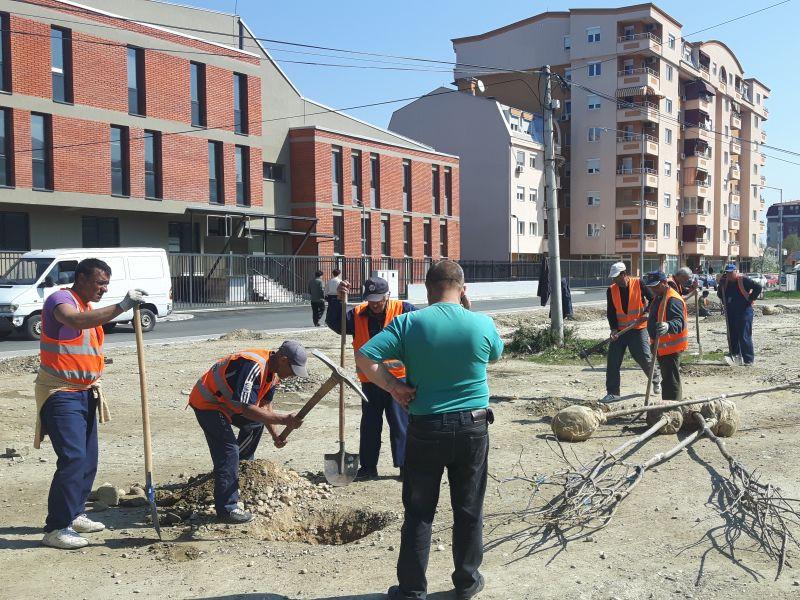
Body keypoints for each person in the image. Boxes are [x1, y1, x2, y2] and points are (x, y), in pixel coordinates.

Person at [356, 261, 502, 600]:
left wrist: (394, 386)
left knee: (420, 512)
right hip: (473, 426)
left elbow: (365, 357)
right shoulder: (481, 323)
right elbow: (493, 354)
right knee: (468, 508)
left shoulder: (408, 323)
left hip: (426, 427)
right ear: (463, 289)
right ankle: (466, 582)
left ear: (426, 288)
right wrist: (469, 312)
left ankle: (411, 590)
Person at [35, 258, 147, 549]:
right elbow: (72, 321)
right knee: (72, 458)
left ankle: (74, 514)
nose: (103, 289)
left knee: (88, 459)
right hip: (60, 391)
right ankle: (56, 527)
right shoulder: (61, 300)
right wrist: (122, 306)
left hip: (85, 392)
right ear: (81, 278)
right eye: (99, 283)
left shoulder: (88, 308)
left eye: (107, 284)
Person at [188, 341, 306, 523]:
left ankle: (240, 470)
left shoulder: (273, 373)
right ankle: (227, 509)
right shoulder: (254, 366)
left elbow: (264, 405)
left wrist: (275, 435)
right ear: (283, 360)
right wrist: (284, 419)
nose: (293, 376)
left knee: (255, 424)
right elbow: (247, 409)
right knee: (228, 450)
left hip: (226, 405)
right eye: (293, 370)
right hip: (208, 403)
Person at [326, 276, 416, 481]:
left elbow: (424, 327)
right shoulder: (358, 314)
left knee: (400, 424)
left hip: (398, 380)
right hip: (371, 381)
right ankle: (368, 468)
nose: (374, 304)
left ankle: (405, 467)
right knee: (370, 425)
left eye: (378, 299)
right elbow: (336, 324)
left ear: (388, 296)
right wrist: (336, 299)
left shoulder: (404, 309)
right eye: (371, 299)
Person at [602, 262, 661, 403]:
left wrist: (647, 313)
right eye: (613, 278)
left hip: (638, 329)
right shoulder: (611, 290)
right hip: (621, 332)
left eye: (616, 277)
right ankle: (613, 392)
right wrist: (613, 329)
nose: (614, 280)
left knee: (644, 358)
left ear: (624, 274)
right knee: (613, 361)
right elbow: (611, 312)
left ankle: (656, 379)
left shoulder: (639, 283)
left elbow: (654, 299)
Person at [645, 271, 688, 403]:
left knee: (671, 381)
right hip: (661, 347)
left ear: (664, 283)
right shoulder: (659, 296)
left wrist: (668, 326)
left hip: (671, 347)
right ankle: (668, 406)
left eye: (656, 286)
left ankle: (673, 409)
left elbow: (680, 322)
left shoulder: (673, 299)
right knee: (667, 379)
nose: (653, 289)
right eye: (651, 287)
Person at [717, 263, 762, 366]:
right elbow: (720, 294)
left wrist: (751, 298)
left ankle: (748, 359)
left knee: (744, 335)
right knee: (732, 335)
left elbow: (758, 287)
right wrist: (720, 285)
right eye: (727, 273)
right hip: (731, 312)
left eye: (731, 273)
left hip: (744, 312)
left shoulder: (743, 280)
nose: (729, 275)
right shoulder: (725, 282)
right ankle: (735, 355)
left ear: (735, 271)